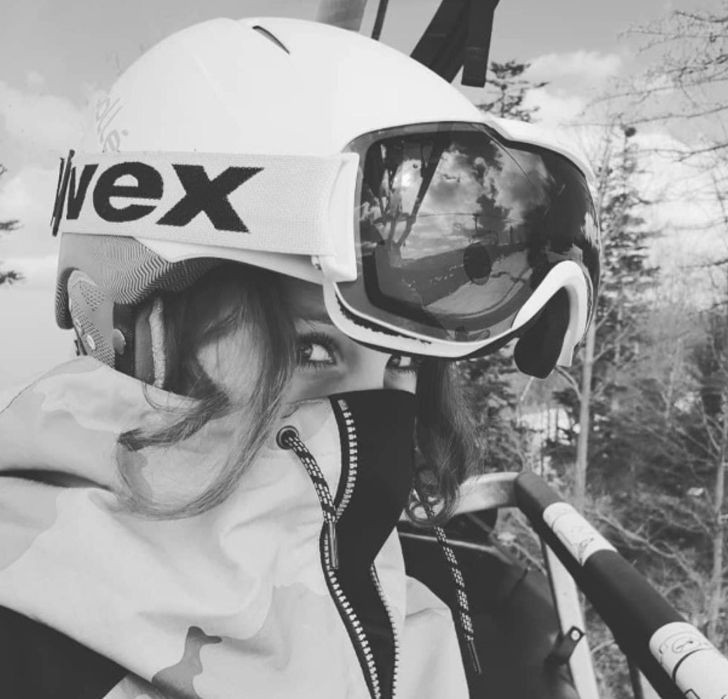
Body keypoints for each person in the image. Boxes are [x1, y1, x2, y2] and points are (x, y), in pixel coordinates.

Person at [0, 16, 600, 699]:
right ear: (135, 336)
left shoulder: (419, 611)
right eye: (309, 348)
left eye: (404, 364)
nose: (374, 412)